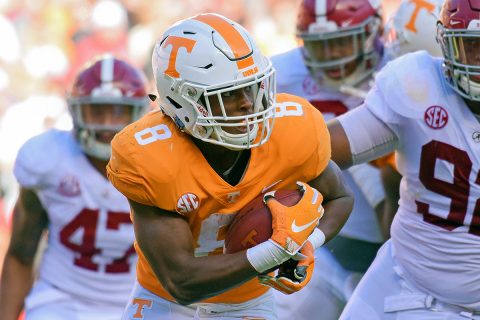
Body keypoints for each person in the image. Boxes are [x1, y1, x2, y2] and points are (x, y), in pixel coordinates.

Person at [106, 13, 354, 320]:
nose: (248, 103)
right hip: (167, 300)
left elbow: (340, 197)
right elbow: (181, 282)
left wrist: (306, 243)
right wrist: (272, 252)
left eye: (251, 87)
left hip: (246, 301)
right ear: (184, 100)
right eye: (229, 94)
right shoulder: (150, 156)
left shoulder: (292, 131)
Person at [327, 0, 480, 318]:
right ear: (446, 44)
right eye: (471, 44)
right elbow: (323, 147)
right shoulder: (419, 84)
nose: (479, 59)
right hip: (399, 280)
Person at [0, 55, 150, 320]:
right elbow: (21, 255)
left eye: (118, 111)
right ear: (76, 110)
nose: (106, 125)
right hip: (61, 300)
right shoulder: (48, 160)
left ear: (139, 112)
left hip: (139, 302)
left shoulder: (162, 165)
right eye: (97, 110)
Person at [270, 0, 391, 318]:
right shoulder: (277, 75)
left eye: (340, 42)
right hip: (328, 240)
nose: (332, 57)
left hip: (398, 235)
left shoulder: (401, 69)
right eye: (320, 46)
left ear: (371, 33)